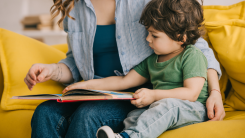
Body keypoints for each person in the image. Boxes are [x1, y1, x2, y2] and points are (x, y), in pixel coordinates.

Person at [24, 0, 225, 138]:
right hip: (96, 91)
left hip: (139, 92)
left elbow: (193, 45)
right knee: (45, 113)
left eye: (152, 35)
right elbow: (75, 62)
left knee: (88, 114)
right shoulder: (74, 6)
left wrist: (214, 92)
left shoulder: (153, 6)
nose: (149, 39)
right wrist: (54, 70)